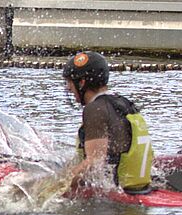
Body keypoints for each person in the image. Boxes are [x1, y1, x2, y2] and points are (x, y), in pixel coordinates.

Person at [57, 51, 153, 192]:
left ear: (82, 83)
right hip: (141, 188)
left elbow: (94, 162)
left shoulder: (94, 109)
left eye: (70, 82)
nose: (68, 88)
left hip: (118, 197)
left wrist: (58, 185)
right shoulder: (123, 103)